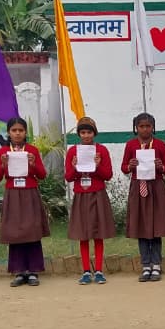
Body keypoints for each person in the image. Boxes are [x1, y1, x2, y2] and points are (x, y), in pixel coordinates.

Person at [0, 117, 50, 286]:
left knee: (32, 230)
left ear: (25, 132)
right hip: (12, 194)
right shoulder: (3, 152)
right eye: (14, 130)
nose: (17, 133)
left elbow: (42, 175)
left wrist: (33, 163)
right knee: (14, 231)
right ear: (8, 132)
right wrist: (2, 165)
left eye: (21, 130)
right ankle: (18, 271)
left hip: (29, 193)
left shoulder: (32, 150)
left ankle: (33, 271)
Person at [122, 113, 165, 282]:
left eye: (148, 126)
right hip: (138, 187)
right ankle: (145, 265)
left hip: (156, 187)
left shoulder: (159, 145)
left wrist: (161, 166)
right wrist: (130, 166)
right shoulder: (131, 145)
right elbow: (123, 167)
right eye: (141, 126)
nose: (145, 129)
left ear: (153, 127)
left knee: (156, 226)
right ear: (136, 128)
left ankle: (156, 265)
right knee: (141, 227)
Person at [64, 117, 114, 285]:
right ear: (79, 134)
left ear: (94, 133)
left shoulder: (101, 150)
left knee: (98, 234)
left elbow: (108, 175)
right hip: (81, 195)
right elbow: (68, 177)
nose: (86, 135)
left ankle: (99, 270)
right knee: (83, 234)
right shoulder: (73, 151)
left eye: (89, 132)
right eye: (83, 132)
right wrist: (74, 167)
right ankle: (86, 271)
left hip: (97, 194)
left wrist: (98, 166)